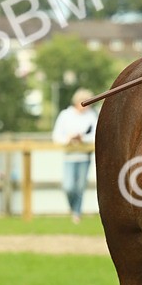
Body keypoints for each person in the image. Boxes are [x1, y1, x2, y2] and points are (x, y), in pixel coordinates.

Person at [52, 87, 98, 223]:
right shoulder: (65, 115)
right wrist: (69, 139)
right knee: (69, 186)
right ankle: (73, 208)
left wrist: (82, 138)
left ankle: (77, 213)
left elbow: (95, 134)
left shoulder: (91, 116)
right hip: (69, 156)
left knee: (80, 186)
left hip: (84, 156)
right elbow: (56, 136)